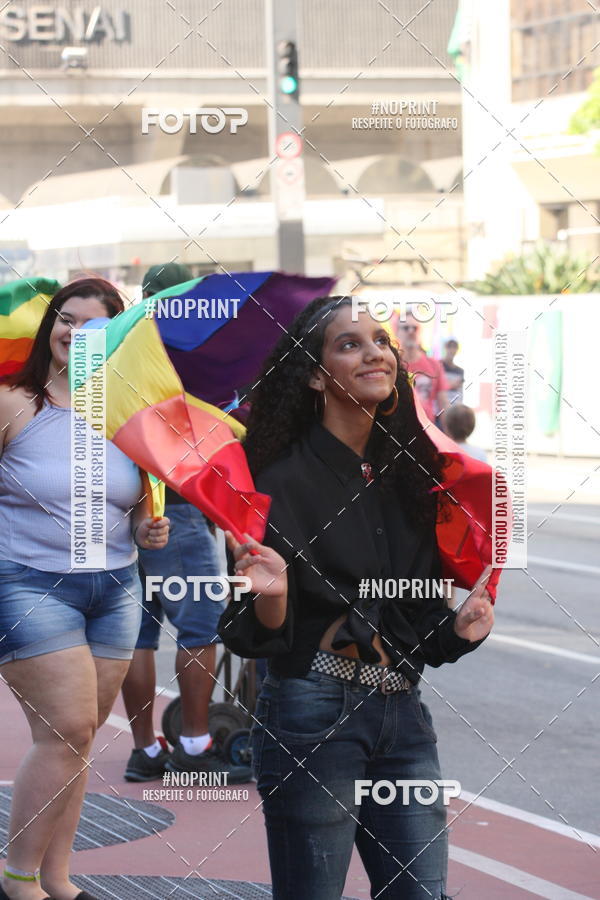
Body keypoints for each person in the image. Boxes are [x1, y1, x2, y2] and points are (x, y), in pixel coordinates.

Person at [218, 296, 495, 900]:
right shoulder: (273, 479)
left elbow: (418, 623)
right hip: (311, 710)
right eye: (349, 343)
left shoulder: (412, 476)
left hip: (404, 713)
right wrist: (272, 594)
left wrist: (459, 630)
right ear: (316, 375)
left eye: (378, 340)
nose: (373, 352)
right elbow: (246, 632)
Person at [0, 277, 170, 900]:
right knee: (67, 727)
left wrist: (148, 528)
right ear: (49, 328)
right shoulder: (13, 404)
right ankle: (18, 882)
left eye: (96, 327)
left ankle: (58, 878)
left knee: (78, 739)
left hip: (116, 588)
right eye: (66, 320)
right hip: (27, 586)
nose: (76, 334)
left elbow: (129, 507)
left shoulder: (129, 414)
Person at [121, 263, 251, 783]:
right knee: (199, 629)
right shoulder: (186, 357)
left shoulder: (123, 351)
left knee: (140, 634)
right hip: (177, 509)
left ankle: (145, 749)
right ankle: (194, 746)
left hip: (129, 509)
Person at [396, 311, 449, 428]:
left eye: (415, 328)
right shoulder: (391, 364)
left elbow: (444, 404)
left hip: (427, 433)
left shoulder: (434, 365)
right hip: (396, 433)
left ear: (420, 332)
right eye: (406, 328)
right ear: (397, 332)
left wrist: (448, 436)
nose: (411, 331)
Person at [441, 338, 464, 407]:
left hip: (455, 408)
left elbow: (460, 393)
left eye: (454, 347)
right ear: (445, 348)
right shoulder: (438, 366)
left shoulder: (460, 371)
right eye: (450, 347)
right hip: (441, 408)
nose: (452, 350)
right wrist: (450, 385)